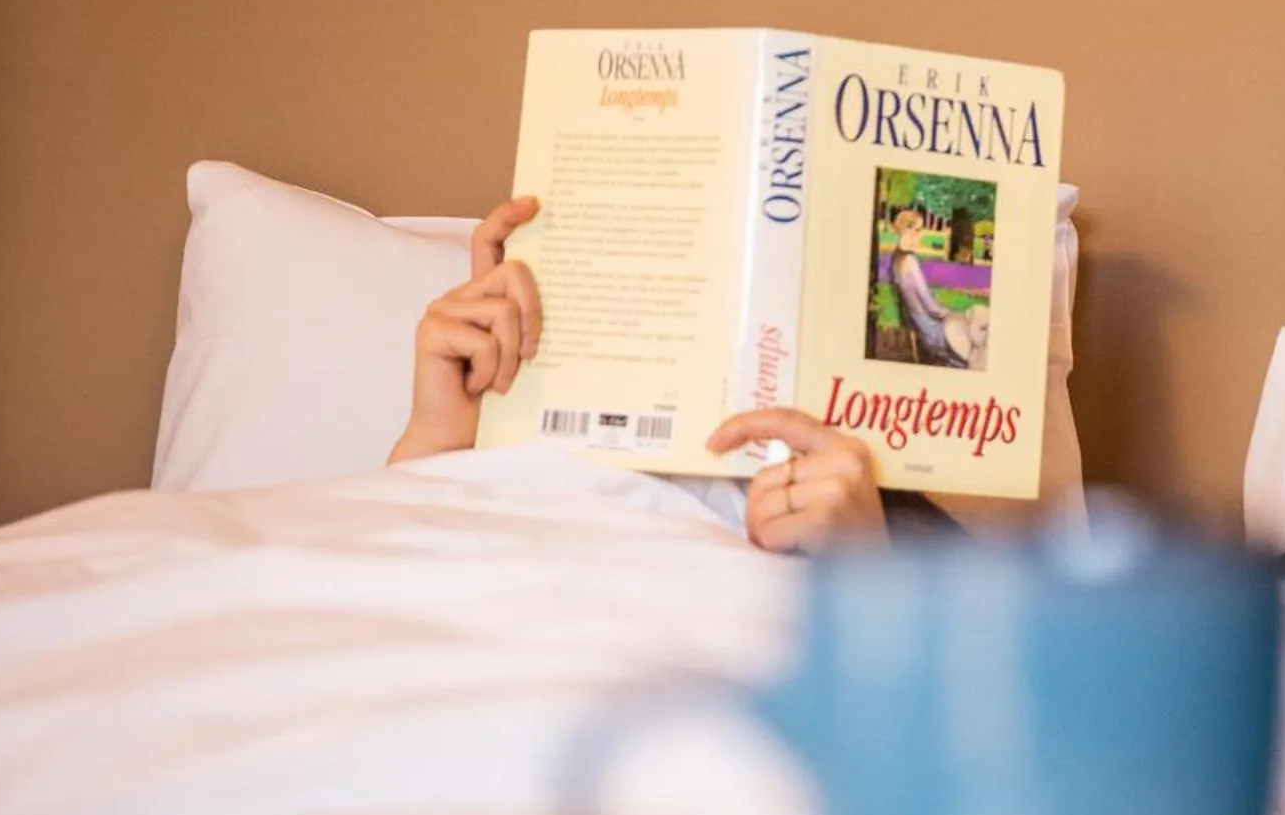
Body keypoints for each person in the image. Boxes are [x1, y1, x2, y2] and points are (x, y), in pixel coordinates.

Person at [387, 196, 937, 553]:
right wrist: (436, 441)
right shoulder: (475, 460)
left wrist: (866, 565)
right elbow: (378, 580)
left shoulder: (874, 514)